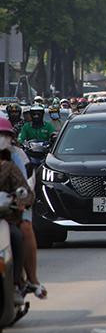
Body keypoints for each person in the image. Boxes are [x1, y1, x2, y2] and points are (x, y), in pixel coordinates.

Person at [0, 121, 34, 301]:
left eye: (3, 136)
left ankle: (18, 281)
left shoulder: (12, 163)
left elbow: (25, 188)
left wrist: (21, 201)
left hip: (6, 216)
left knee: (17, 236)